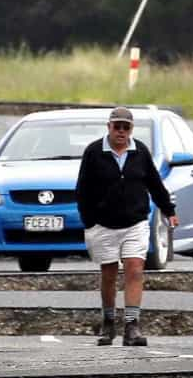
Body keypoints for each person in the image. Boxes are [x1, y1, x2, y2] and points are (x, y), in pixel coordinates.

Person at [75, 106, 177, 347]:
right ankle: (108, 323)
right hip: (103, 225)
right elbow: (82, 190)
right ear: (108, 127)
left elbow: (154, 183)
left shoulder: (140, 151)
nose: (121, 131)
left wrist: (169, 210)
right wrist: (89, 221)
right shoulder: (93, 152)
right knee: (109, 274)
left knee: (134, 269)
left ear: (131, 129)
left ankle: (132, 326)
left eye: (126, 127)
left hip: (135, 222)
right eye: (116, 126)